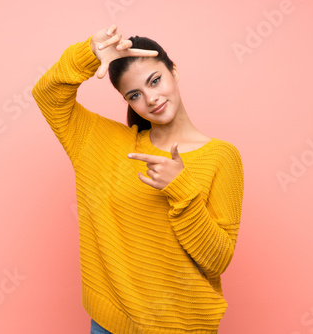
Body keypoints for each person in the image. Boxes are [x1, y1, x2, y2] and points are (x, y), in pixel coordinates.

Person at [32, 24, 244, 334]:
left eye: (155, 80)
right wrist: (89, 53)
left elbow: (217, 260)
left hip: (184, 326)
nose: (151, 99)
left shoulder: (221, 156)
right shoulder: (102, 144)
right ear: (128, 101)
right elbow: (47, 96)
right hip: (111, 325)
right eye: (135, 94)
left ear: (174, 70)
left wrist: (180, 188)